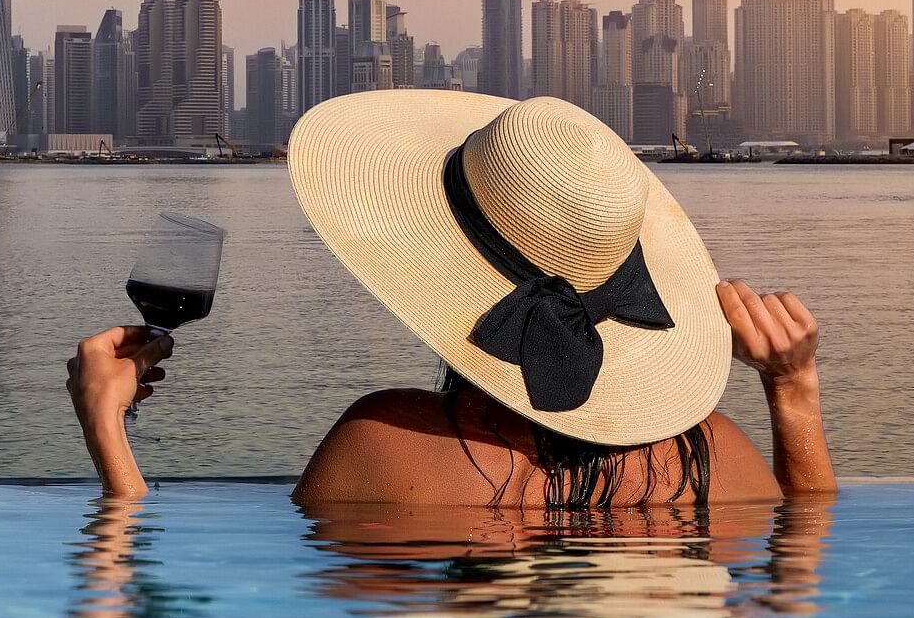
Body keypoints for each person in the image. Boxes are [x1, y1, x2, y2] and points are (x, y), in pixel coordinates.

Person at [67, 93, 836, 506]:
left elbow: (135, 608)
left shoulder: (382, 445)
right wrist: (792, 391)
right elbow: (797, 587)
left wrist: (109, 437)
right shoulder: (722, 461)